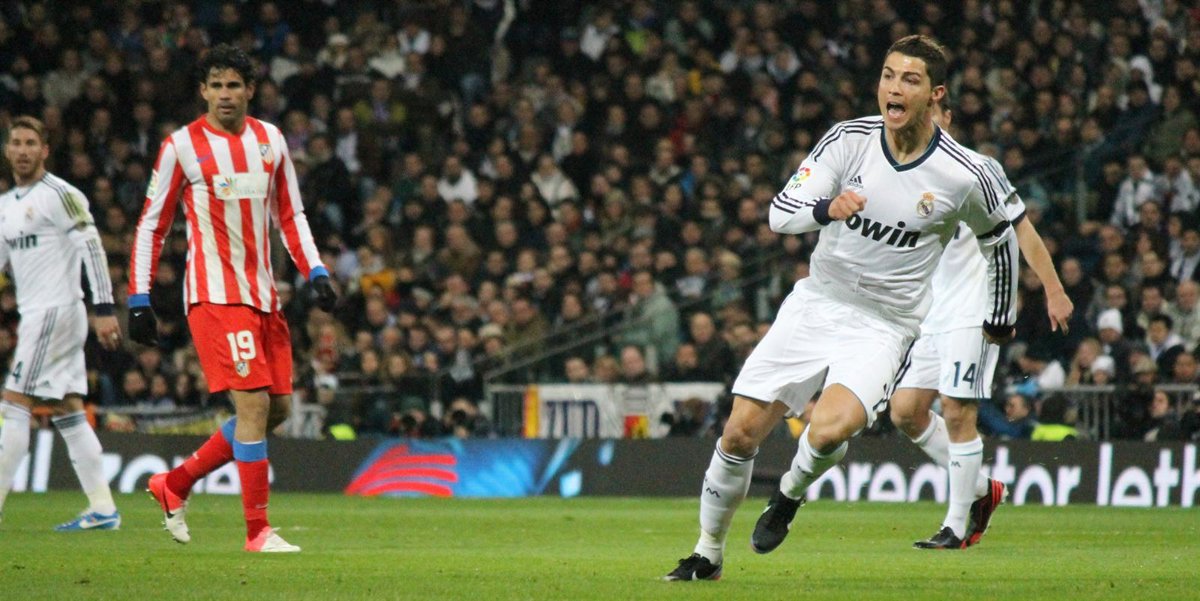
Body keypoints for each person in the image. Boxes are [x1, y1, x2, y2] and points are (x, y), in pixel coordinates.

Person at [665, 35, 1019, 581]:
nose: (894, 88)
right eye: (888, 75)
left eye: (910, 79)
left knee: (829, 430)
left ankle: (789, 494)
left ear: (935, 94)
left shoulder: (964, 173)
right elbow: (780, 213)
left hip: (884, 325)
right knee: (738, 433)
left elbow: (1001, 239)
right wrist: (827, 208)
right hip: (817, 303)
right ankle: (707, 553)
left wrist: (1000, 316)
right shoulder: (848, 139)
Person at [127, 45, 337, 553]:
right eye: (216, 85)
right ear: (203, 91)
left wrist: (315, 270)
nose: (225, 94)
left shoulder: (271, 140)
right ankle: (257, 531)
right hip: (215, 296)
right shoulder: (181, 146)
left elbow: (291, 214)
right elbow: (153, 225)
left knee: (277, 409)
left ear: (250, 90)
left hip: (263, 296)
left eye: (234, 85)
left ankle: (174, 483)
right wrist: (138, 296)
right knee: (253, 405)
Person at [887, 95, 1074, 549]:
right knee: (905, 411)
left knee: (956, 409)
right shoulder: (903, 175)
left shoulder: (979, 169)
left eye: (930, 112)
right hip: (933, 314)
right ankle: (980, 488)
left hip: (977, 310)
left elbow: (1022, 230)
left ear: (946, 116)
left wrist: (1053, 289)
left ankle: (955, 525)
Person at [0, 116, 122, 530]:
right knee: (68, 408)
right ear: (7, 150)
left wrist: (105, 308)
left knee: (14, 402)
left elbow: (92, 247)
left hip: (56, 311)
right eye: (16, 143)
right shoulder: (6, 206)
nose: (22, 150)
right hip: (39, 315)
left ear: (45, 150)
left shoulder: (61, 195)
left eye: (30, 143)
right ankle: (103, 509)